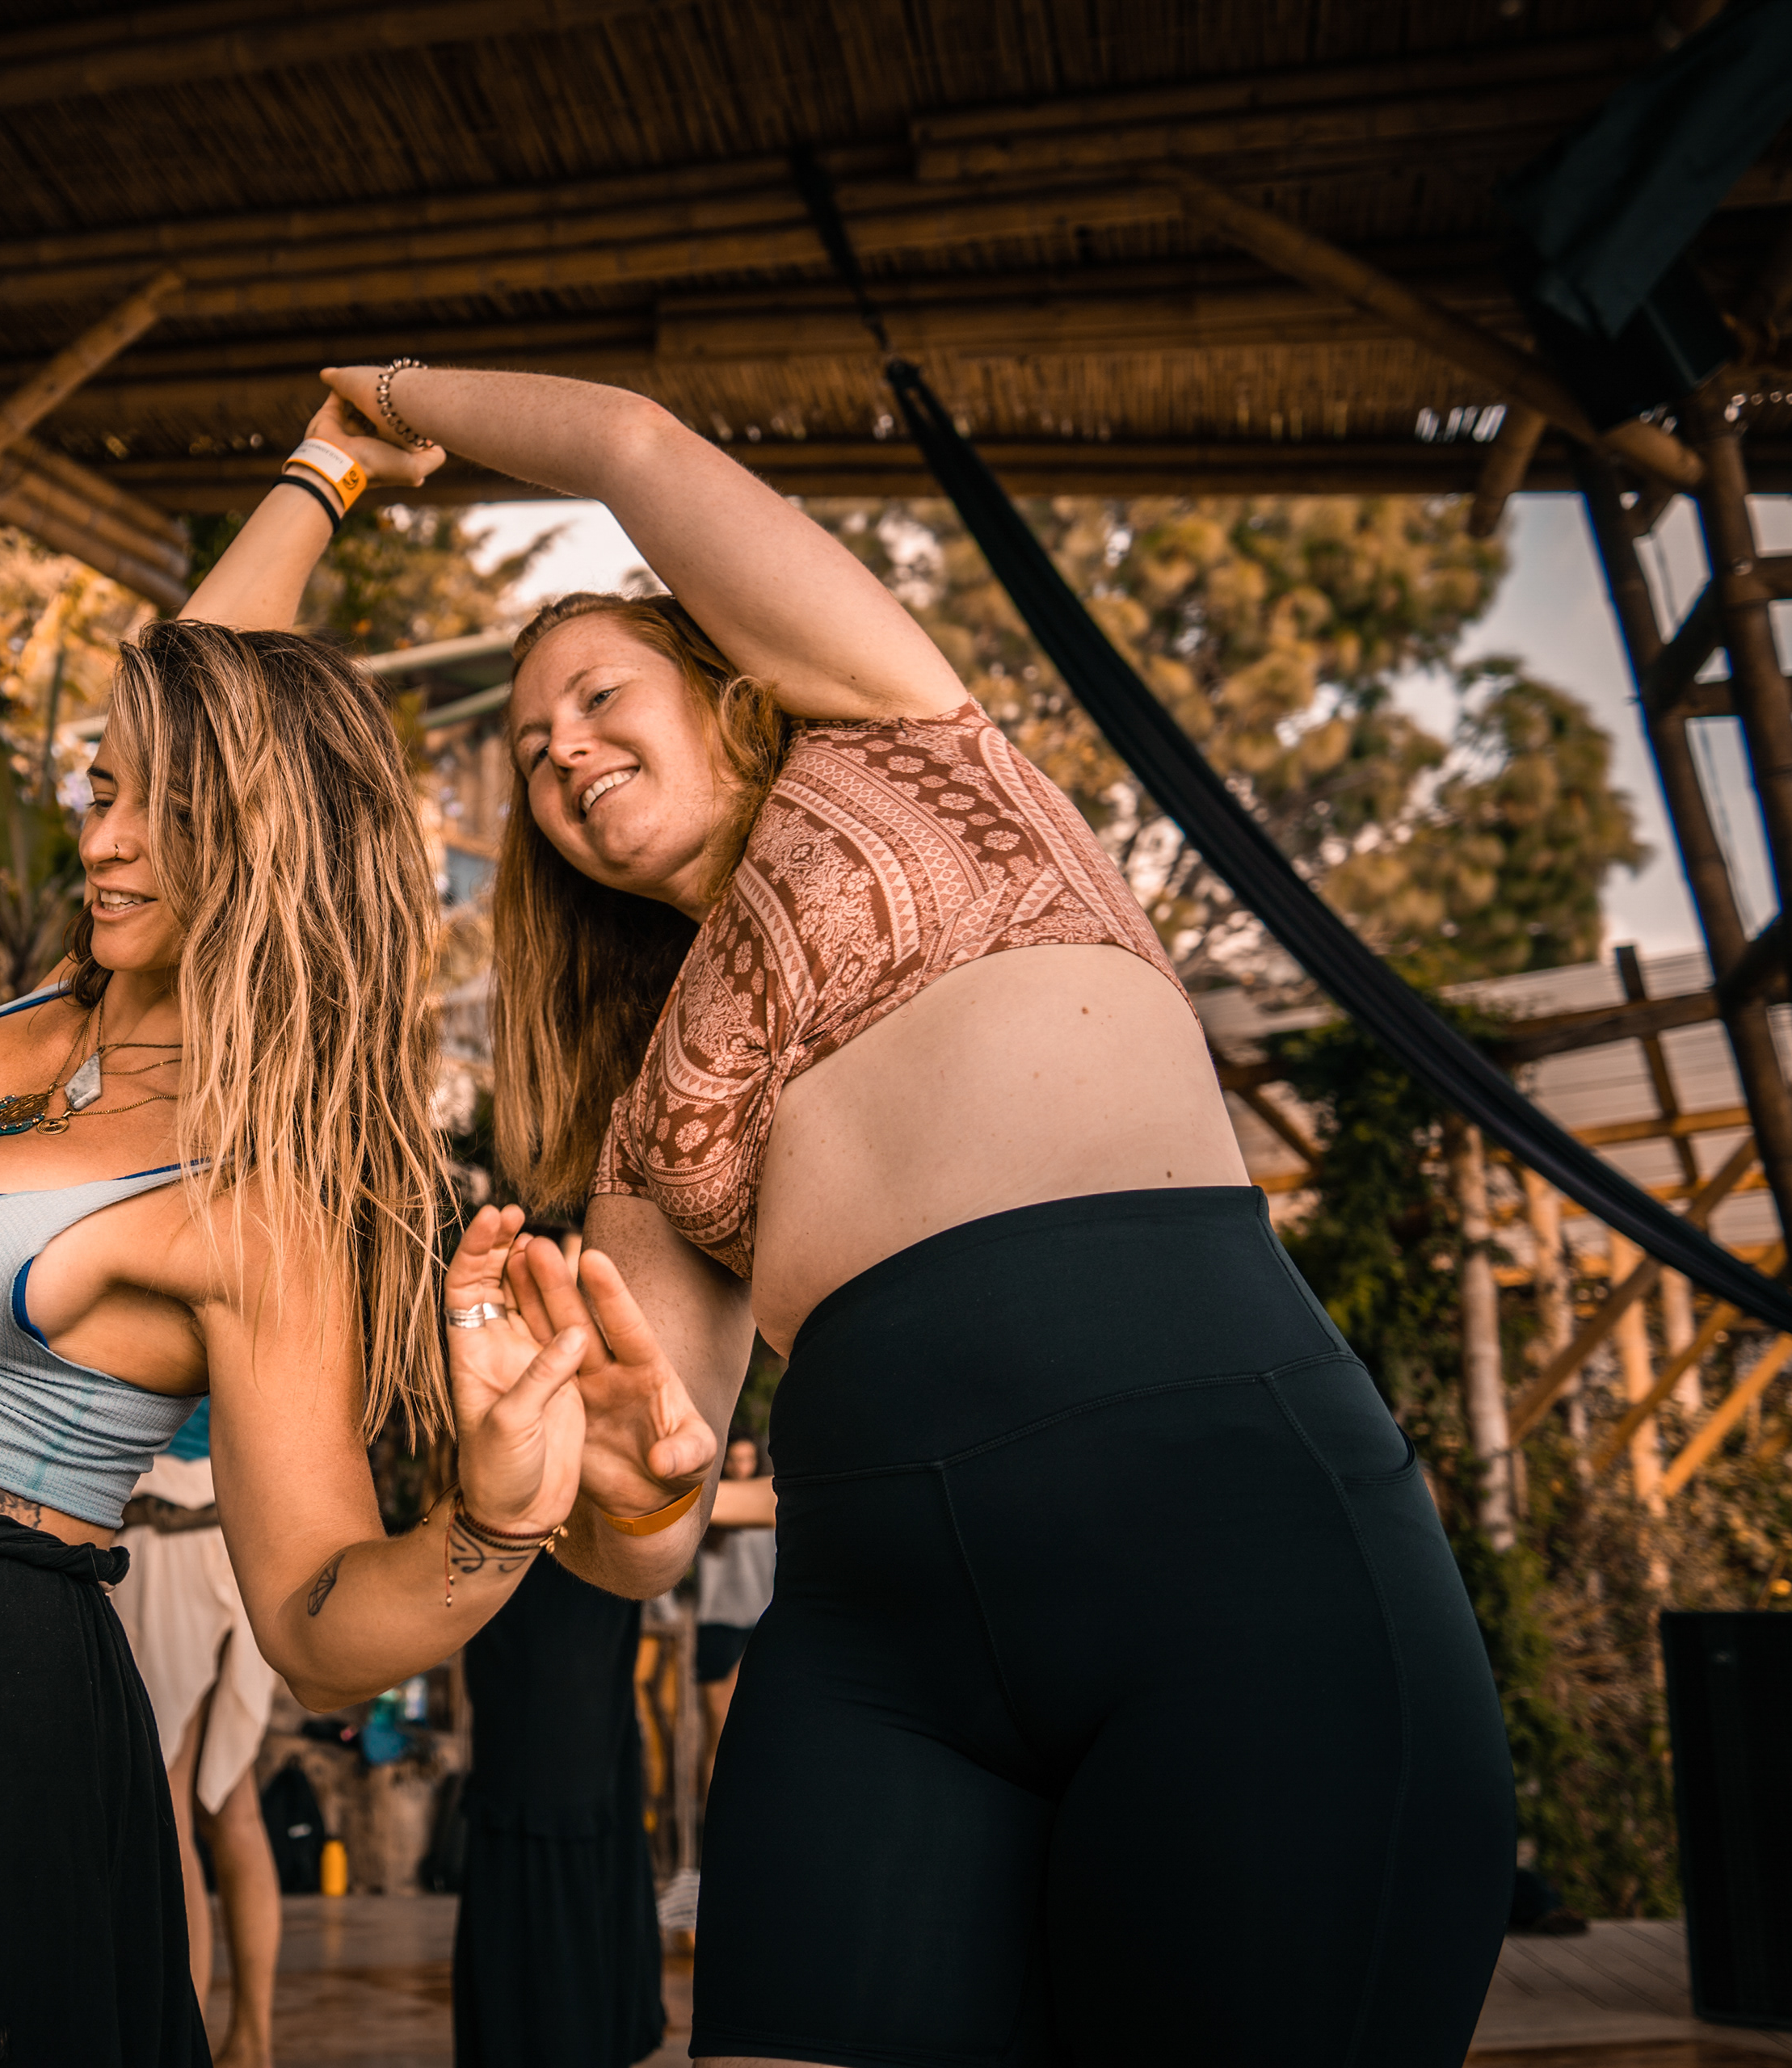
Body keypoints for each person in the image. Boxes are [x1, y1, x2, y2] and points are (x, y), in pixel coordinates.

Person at [360, 361, 1518, 2068]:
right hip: (876, 1656)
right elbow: (643, 1540)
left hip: (1231, 1560)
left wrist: (390, 396)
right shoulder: (645, 1130)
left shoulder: (897, 738)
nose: (564, 754)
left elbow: (628, 443)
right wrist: (611, 1470)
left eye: (598, 698)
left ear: (723, 683)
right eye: (531, 754)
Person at [0, 397, 634, 2067]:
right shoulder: (81, 998)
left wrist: (497, 1523)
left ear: (259, 846)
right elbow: (191, 678)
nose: (104, 836)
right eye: (103, 788)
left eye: (154, 812)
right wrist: (325, 466)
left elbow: (315, 1616)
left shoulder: (255, 1197)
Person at [111, 1398, 284, 2068]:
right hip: (237, 1533)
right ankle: (253, 2042)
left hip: (170, 1532)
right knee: (234, 1806)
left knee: (173, 1806)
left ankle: (187, 2049)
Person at [451, 1553, 665, 2068]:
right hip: (529, 1572)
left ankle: (563, 2035)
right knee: (543, 1782)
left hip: (578, 1575)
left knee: (567, 1783)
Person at [691, 1434, 774, 1801]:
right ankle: (708, 1822)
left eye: (748, 1459)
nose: (741, 1466)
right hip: (717, 1625)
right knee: (718, 1735)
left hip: (760, 1623)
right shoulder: (705, 1508)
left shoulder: (774, 1502)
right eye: (734, 1459)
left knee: (758, 1734)